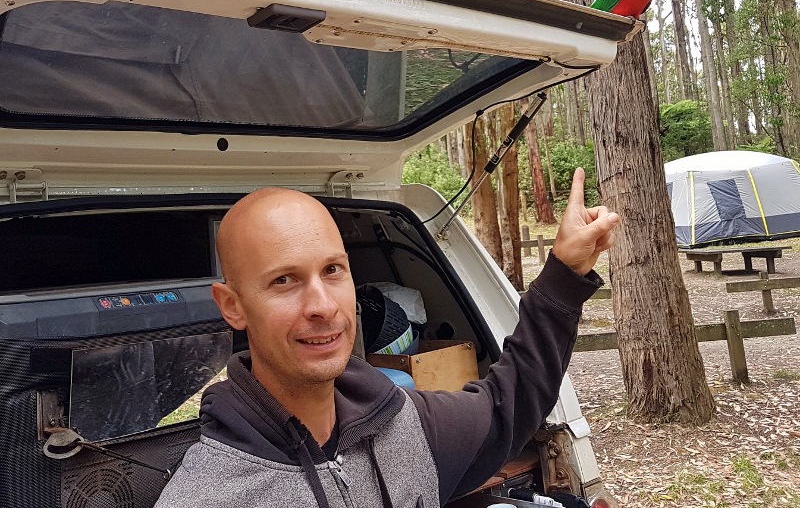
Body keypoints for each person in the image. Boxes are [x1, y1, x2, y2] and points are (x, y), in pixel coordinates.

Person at [155, 167, 618, 508]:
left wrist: (563, 277)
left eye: (332, 270)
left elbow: (507, 407)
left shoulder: (401, 424)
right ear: (232, 305)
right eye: (284, 281)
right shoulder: (208, 496)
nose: (322, 305)